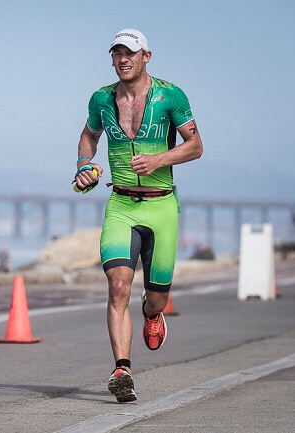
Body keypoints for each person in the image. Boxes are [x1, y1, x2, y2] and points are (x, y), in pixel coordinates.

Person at [73, 29, 203, 402]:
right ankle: (122, 370)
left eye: (129, 53)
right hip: (121, 205)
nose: (122, 59)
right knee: (117, 287)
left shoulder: (170, 96)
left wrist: (159, 159)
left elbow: (196, 146)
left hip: (162, 206)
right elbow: (89, 136)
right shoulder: (100, 99)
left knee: (157, 297)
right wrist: (85, 165)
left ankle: (152, 313)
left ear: (147, 55)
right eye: (116, 53)